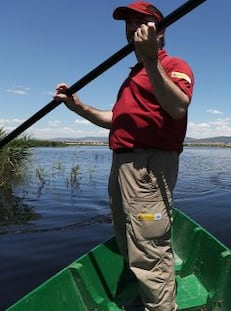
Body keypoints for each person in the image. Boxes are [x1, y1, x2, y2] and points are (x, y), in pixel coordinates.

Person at [54, 2, 194, 310]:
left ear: (161, 31)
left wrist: (150, 58)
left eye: (141, 21)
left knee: (148, 246)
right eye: (128, 22)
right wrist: (80, 108)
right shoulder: (134, 74)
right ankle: (145, 295)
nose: (132, 26)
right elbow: (115, 118)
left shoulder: (173, 65)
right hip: (122, 164)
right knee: (127, 235)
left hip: (148, 166)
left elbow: (178, 106)